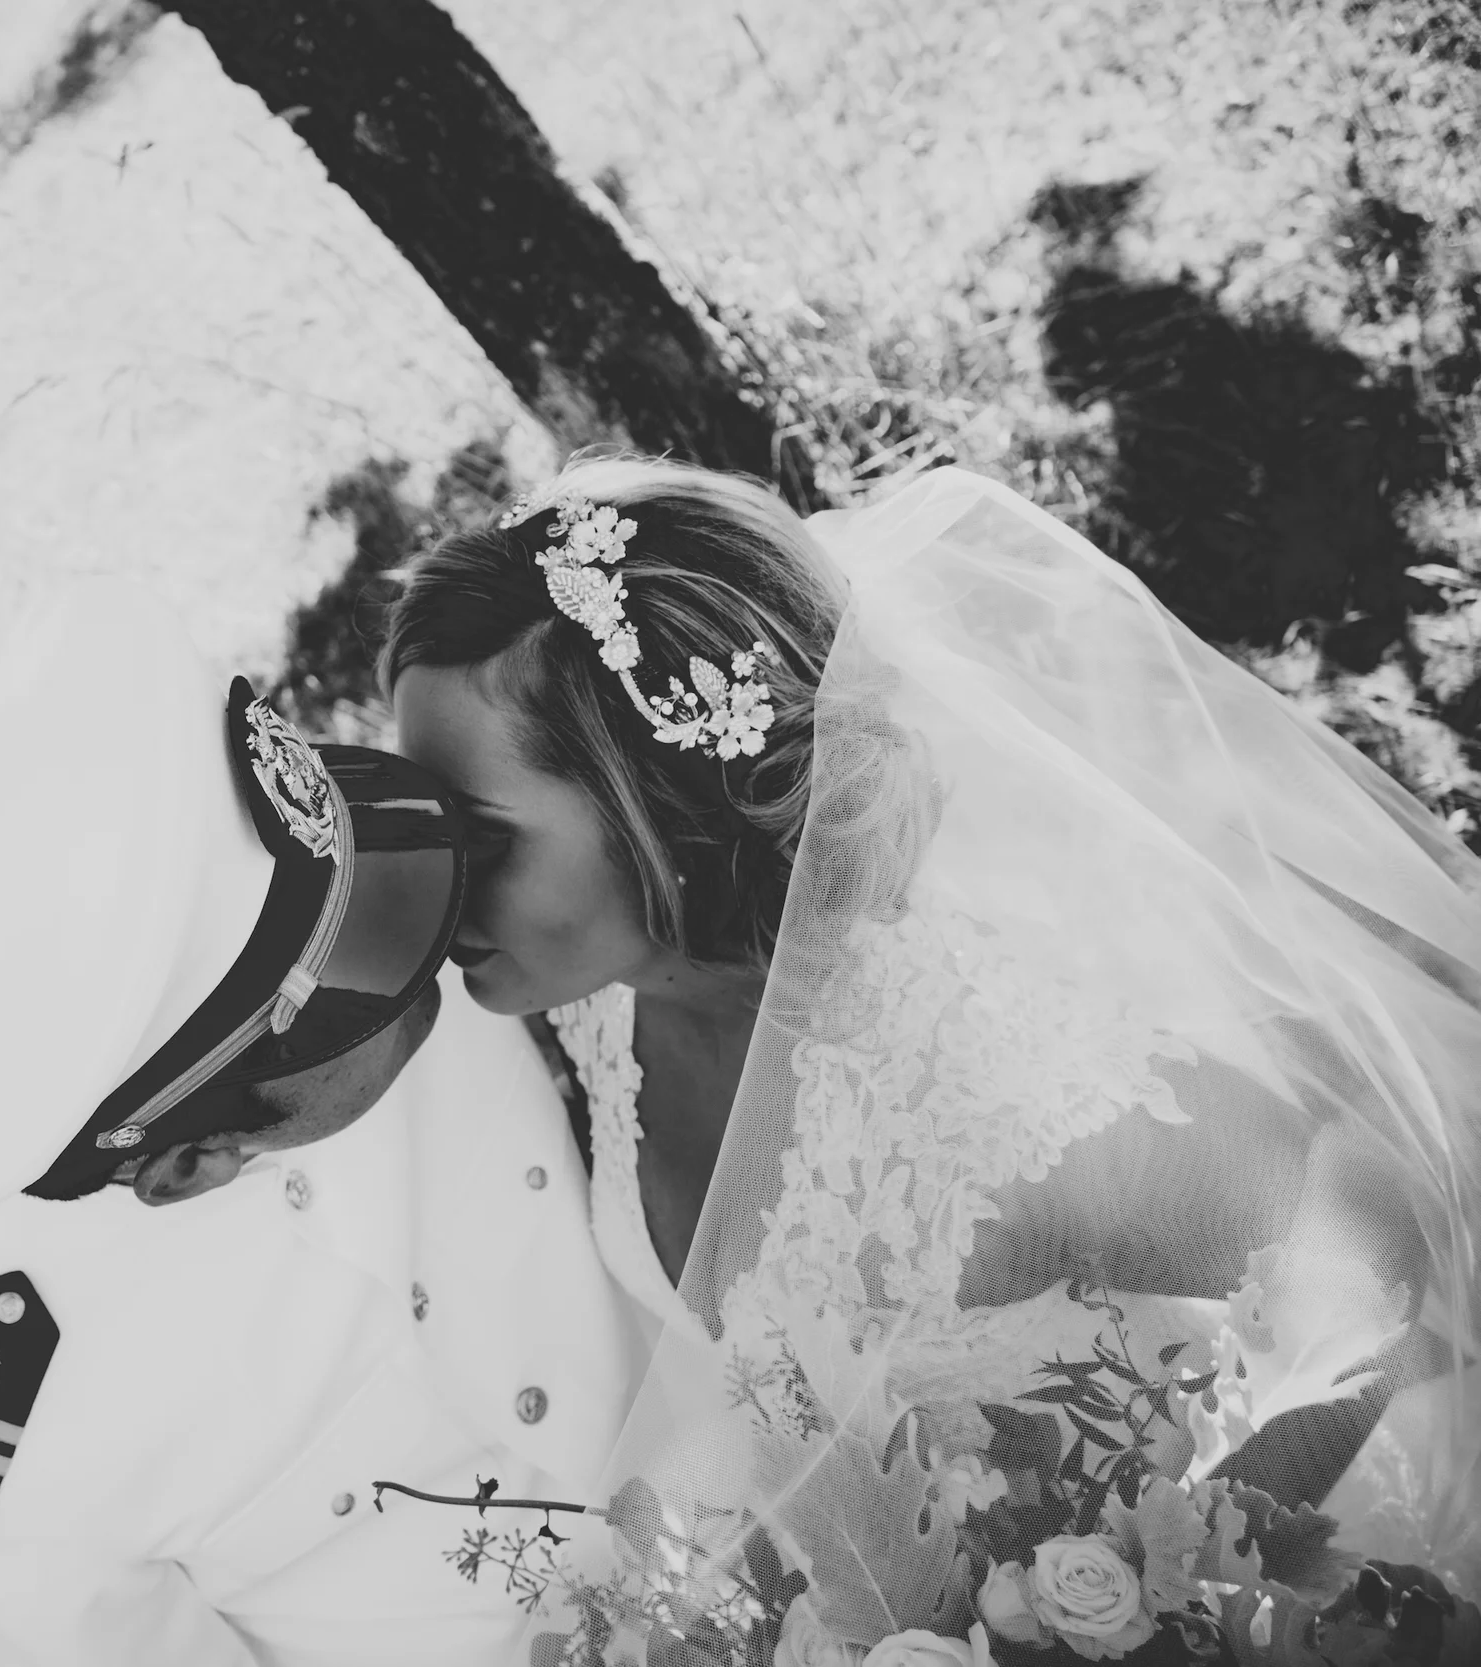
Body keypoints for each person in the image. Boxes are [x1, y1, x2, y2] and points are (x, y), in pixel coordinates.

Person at [377, 454, 1481, 1660]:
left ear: (659, 810)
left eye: (479, 833)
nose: (434, 877)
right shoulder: (603, 1001)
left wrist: (1154, 1585)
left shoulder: (980, 1081)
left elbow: (1374, 1230)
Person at [0, 579, 656, 1666]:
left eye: (362, 889)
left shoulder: (340, 914)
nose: (428, 939)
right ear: (188, 1162)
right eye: (350, 972)